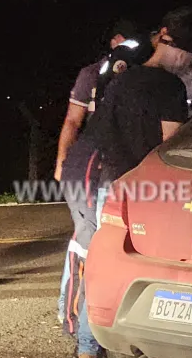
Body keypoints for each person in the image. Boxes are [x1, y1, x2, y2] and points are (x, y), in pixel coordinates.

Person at [68, 5, 192, 358]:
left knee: (98, 259)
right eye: (190, 58)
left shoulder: (125, 77)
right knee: (132, 263)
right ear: (181, 51)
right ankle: (122, 354)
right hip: (119, 181)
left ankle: (87, 349)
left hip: (89, 172)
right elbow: (171, 148)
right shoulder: (169, 87)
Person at [54, 19, 143, 327]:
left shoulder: (142, 77)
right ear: (114, 40)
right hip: (90, 164)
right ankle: (76, 318)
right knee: (86, 236)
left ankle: (79, 315)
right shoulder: (92, 75)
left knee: (90, 236)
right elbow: (72, 121)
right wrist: (61, 162)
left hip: (117, 166)